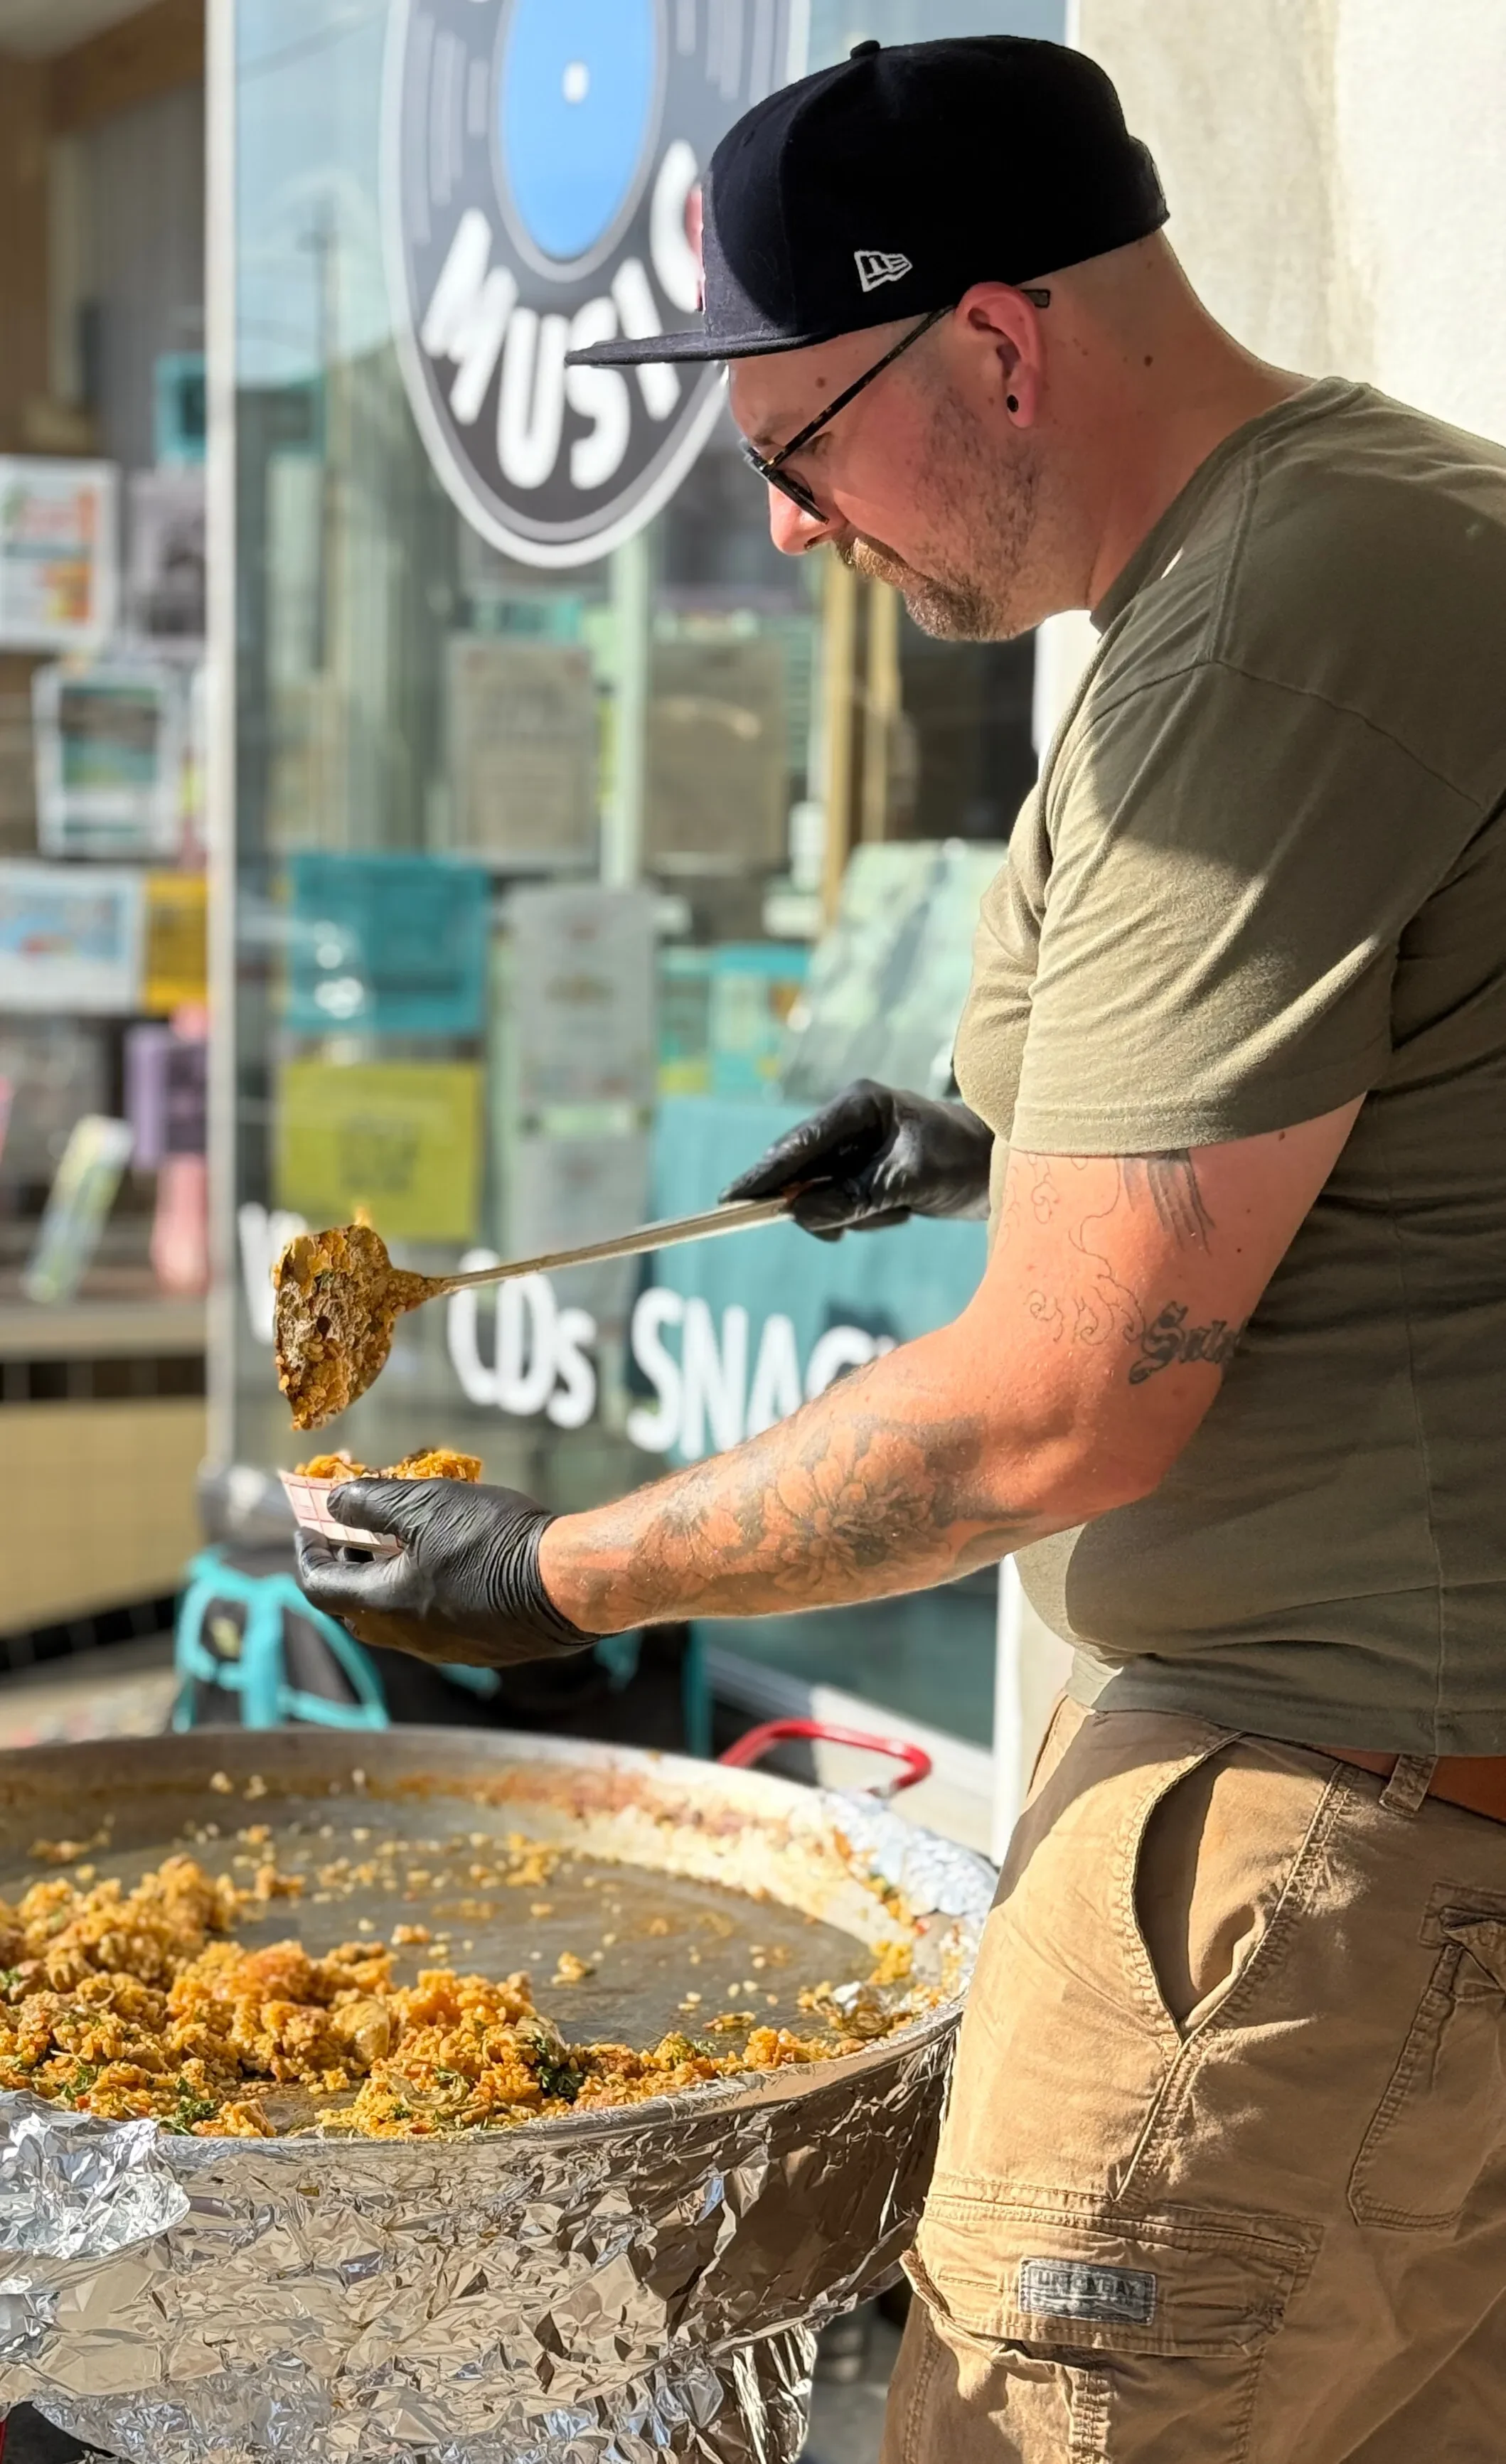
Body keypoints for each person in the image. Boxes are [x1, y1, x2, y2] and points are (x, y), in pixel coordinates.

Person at [297, 35, 1506, 2463]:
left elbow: (1059, 1403)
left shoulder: (1273, 621)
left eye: (787, 447)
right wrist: (1000, 1134)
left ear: (993, 339)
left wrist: (550, 1572)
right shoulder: (1377, 529)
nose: (785, 528)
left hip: (1308, 1869)